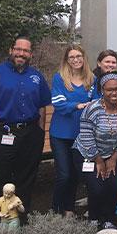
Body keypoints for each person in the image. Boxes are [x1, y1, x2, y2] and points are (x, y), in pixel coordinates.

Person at [0, 34, 51, 224]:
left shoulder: (36, 76)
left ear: (30, 54)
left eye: (26, 51)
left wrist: (40, 132)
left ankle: (21, 218)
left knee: (26, 175)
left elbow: (42, 106)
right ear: (11, 50)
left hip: (30, 134)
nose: (21, 53)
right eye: (18, 49)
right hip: (2, 133)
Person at [72, 71, 117, 229]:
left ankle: (108, 218)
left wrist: (113, 159)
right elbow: (86, 135)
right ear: (102, 90)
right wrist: (98, 160)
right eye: (109, 89)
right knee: (96, 187)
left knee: (114, 185)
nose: (114, 93)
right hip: (88, 153)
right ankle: (93, 217)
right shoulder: (92, 109)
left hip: (114, 154)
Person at [49, 44, 95, 216]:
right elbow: (59, 103)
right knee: (64, 174)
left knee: (76, 174)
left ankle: (69, 208)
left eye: (78, 56)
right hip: (60, 133)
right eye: (72, 57)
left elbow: (96, 103)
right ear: (66, 60)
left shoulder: (92, 79)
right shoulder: (59, 78)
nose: (76, 60)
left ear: (84, 58)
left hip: (81, 135)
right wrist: (79, 105)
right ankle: (55, 209)